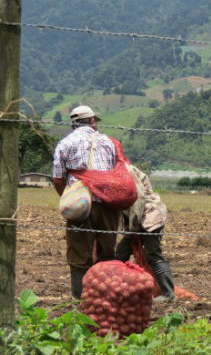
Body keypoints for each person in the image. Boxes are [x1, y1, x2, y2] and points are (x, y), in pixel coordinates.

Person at [52, 106, 120, 299]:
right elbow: (117, 172)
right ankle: (105, 299)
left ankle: (79, 302)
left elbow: (57, 179)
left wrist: (69, 198)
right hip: (107, 204)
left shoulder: (65, 143)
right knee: (107, 253)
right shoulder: (108, 142)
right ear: (92, 121)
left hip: (80, 206)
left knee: (78, 257)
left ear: (73, 123)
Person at [115, 164, 176, 302]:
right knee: (120, 253)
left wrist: (132, 228)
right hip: (136, 221)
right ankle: (116, 288)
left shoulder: (127, 171)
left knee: (153, 253)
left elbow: (139, 200)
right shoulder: (115, 172)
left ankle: (169, 293)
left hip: (150, 216)